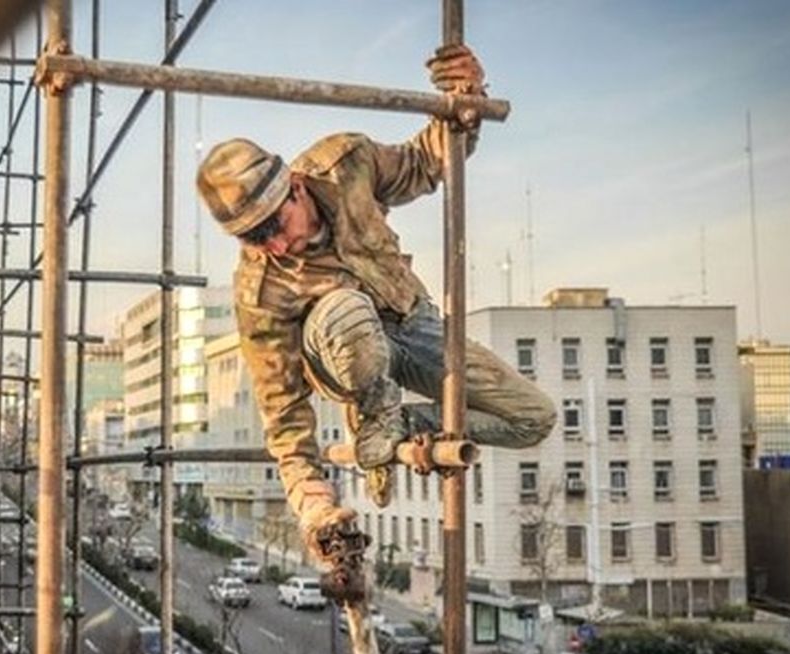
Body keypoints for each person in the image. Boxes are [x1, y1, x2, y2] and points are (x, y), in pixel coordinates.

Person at [196, 45, 555, 566]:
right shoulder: (260, 293)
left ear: (295, 187)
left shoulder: (346, 165)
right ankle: (374, 407)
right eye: (253, 238)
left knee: (533, 418)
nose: (272, 245)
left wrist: (465, 102)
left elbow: (424, 164)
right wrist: (315, 508)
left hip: (411, 321)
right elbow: (284, 416)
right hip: (341, 349)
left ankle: (393, 426)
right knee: (345, 308)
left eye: (274, 225)